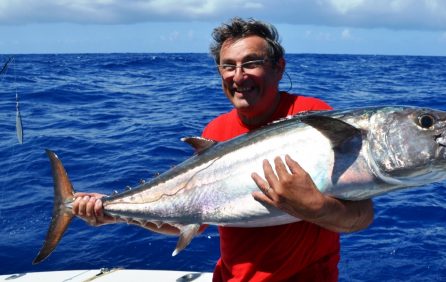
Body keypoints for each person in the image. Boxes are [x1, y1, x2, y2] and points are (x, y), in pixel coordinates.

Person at [73, 18, 373, 281]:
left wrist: (315, 207)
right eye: (228, 66)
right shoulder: (216, 131)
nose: (238, 76)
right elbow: (192, 220)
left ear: (278, 68)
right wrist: (114, 213)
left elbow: (361, 216)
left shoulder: (315, 118)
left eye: (251, 63)